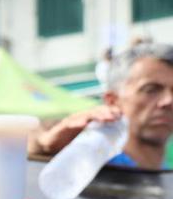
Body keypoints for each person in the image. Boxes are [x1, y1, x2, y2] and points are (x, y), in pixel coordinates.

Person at [30, 41, 173, 170]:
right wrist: (43, 149)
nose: (168, 101)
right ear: (112, 100)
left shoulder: (166, 175)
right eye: (151, 89)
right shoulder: (87, 169)